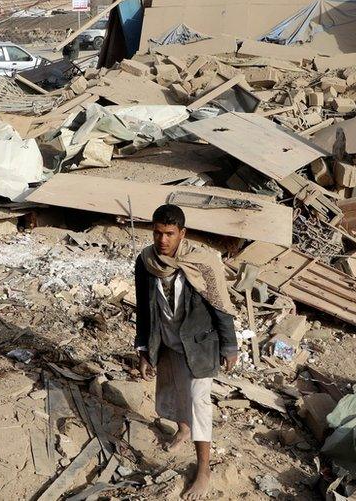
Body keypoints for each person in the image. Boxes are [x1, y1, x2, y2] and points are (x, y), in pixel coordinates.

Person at [134, 204, 238, 499]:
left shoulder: (201, 262)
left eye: (169, 234)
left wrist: (230, 345)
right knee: (174, 389)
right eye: (157, 233)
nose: (162, 240)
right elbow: (143, 306)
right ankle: (182, 429)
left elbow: (220, 304)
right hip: (166, 339)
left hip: (199, 343)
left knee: (198, 402)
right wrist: (143, 348)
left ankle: (203, 468)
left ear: (183, 233)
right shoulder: (146, 261)